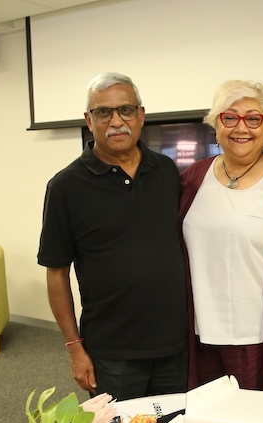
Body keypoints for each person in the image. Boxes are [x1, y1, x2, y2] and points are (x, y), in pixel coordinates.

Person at [37, 72, 188, 400]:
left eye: (126, 110)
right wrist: (75, 348)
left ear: (141, 115)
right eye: (104, 112)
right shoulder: (65, 187)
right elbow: (57, 272)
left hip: (174, 345)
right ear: (89, 121)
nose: (116, 121)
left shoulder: (166, 171)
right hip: (111, 352)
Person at [179, 79, 263, 394]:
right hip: (199, 338)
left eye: (253, 118)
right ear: (215, 123)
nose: (242, 127)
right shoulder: (191, 179)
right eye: (230, 117)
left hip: (257, 341)